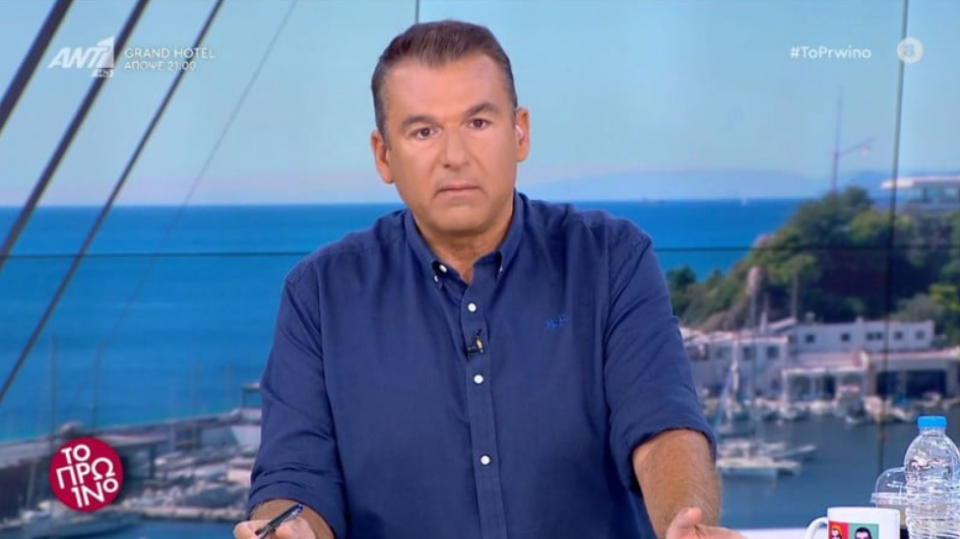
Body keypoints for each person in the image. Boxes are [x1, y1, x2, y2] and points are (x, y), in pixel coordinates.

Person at [234, 19, 744, 539]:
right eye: (424, 131)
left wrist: (684, 521)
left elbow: (663, 428)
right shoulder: (320, 295)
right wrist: (288, 530)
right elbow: (296, 476)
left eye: (478, 123)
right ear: (384, 155)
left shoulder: (611, 259)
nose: (455, 157)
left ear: (520, 132)